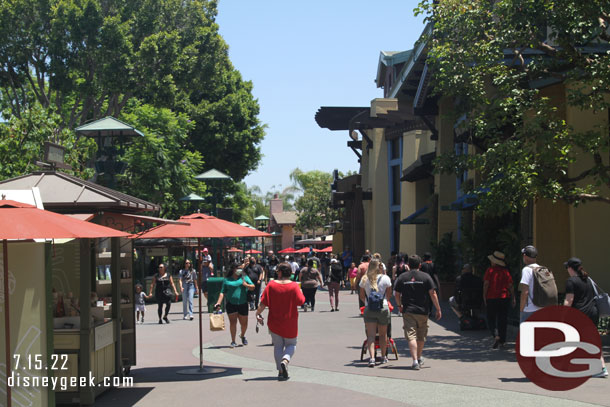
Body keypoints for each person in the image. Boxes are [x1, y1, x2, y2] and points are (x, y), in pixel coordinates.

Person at [255, 262, 306, 381]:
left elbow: (263, 303)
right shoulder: (294, 286)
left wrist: (258, 313)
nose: (276, 272)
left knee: (278, 346)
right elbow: (301, 301)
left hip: (274, 321)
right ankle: (285, 360)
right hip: (290, 321)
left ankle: (280, 370)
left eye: (277, 271)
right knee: (291, 344)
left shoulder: (271, 285)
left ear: (281, 272)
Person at [394, 255, 442, 370]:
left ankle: (415, 360)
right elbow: (433, 293)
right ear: (420, 265)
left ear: (408, 265)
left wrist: (399, 305)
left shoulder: (402, 277)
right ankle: (419, 357)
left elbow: (396, 293)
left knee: (411, 336)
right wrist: (438, 308)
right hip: (423, 311)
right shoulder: (426, 277)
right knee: (421, 336)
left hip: (408, 311)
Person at [563, 257, 608, 378]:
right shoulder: (588, 279)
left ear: (571, 268)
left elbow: (569, 300)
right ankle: (602, 367)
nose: (567, 270)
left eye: (567, 267)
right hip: (593, 313)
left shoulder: (571, 281)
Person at [359, 259, 393, 367]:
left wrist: (367, 302)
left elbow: (361, 295)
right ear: (380, 267)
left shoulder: (365, 279)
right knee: (383, 334)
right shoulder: (385, 278)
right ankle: (383, 357)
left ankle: (372, 358)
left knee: (371, 336)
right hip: (383, 308)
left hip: (369, 308)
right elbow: (389, 294)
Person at [214, 263, 255, 348]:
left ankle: (242, 335)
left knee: (244, 324)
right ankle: (233, 341)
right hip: (231, 304)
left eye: (241, 269)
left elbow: (253, 287)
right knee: (233, 323)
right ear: (233, 269)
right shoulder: (227, 280)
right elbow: (222, 292)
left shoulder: (244, 277)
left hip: (243, 304)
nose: (240, 270)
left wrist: (246, 285)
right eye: (238, 268)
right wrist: (218, 302)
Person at [483, 251, 515, 349]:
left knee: (491, 318)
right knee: (503, 319)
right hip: (504, 297)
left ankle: (495, 334)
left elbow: (486, 284)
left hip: (491, 297)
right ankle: (502, 340)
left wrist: (484, 296)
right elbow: (510, 286)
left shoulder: (490, 270)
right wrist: (513, 297)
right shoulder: (505, 272)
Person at [519, 245, 543, 323]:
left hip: (529, 309)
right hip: (541, 307)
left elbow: (525, 292)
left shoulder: (527, 270)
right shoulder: (541, 269)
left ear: (525, 256)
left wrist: (521, 308)